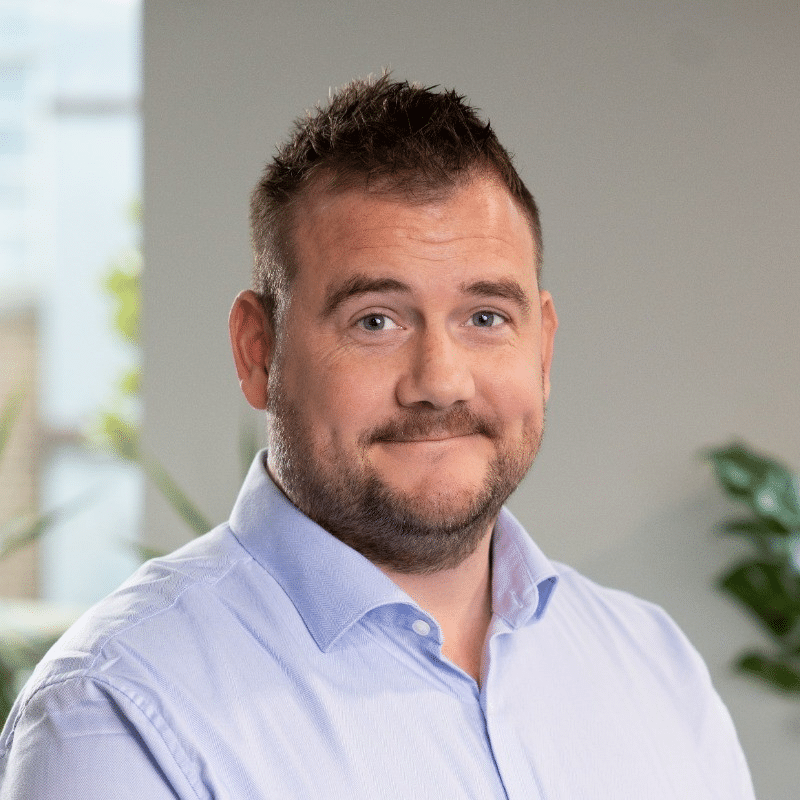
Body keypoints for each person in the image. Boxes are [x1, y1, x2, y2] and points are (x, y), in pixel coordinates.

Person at [0, 75, 755, 799]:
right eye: (376, 321)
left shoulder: (655, 668)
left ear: (544, 348)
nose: (440, 380)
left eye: (485, 317)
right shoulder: (114, 714)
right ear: (257, 351)